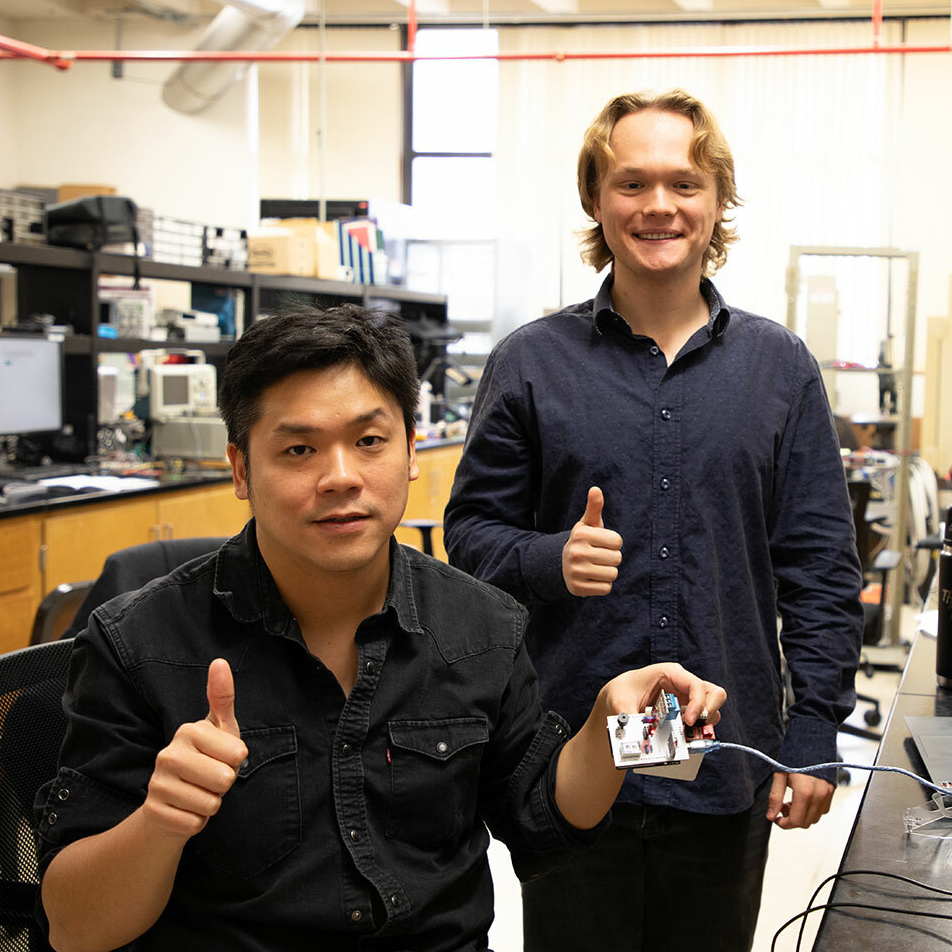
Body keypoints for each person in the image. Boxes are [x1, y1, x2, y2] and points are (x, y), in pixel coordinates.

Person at [34, 303, 726, 952]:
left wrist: (617, 726)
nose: (340, 477)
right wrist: (161, 820)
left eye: (369, 441)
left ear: (411, 452)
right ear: (240, 468)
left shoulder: (482, 625)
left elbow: (541, 821)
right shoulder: (139, 644)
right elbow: (72, 928)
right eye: (299, 450)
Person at [443, 89, 864, 951]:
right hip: (571, 762)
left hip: (723, 759)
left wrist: (817, 723)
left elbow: (819, 568)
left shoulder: (779, 369)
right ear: (597, 200)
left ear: (718, 202)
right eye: (632, 183)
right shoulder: (531, 364)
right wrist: (546, 558)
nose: (659, 206)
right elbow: (470, 539)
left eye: (684, 183)